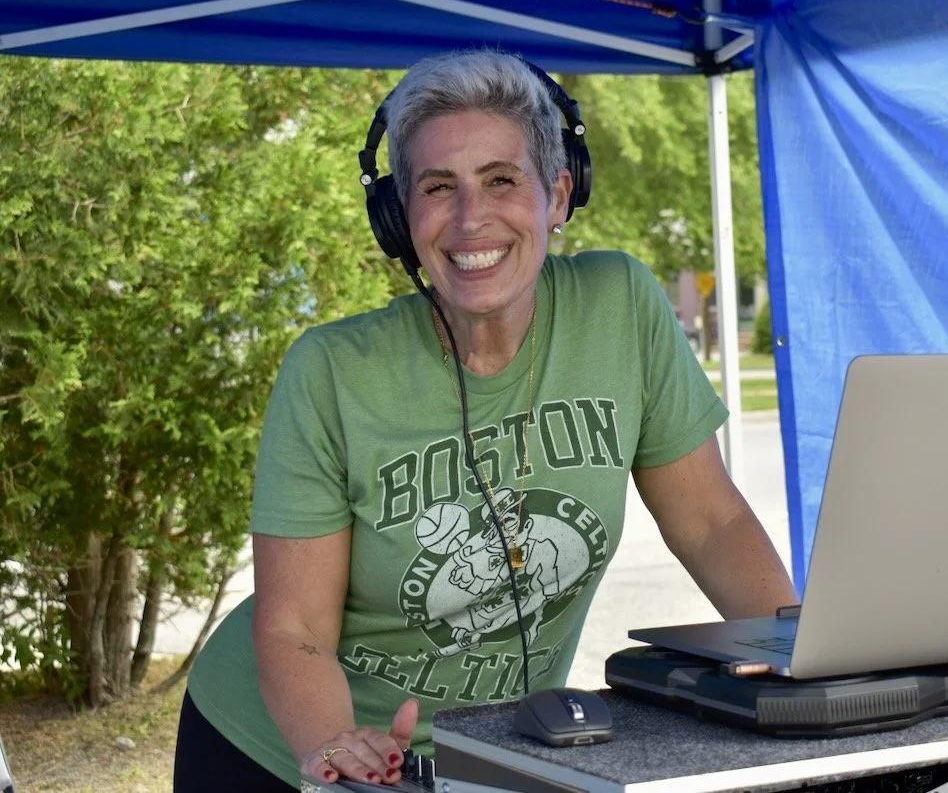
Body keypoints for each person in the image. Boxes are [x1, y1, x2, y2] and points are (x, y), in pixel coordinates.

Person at [173, 48, 797, 790]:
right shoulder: (332, 372)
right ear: (401, 220)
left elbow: (710, 524)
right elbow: (295, 631)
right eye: (439, 187)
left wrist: (810, 662)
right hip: (279, 748)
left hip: (495, 747)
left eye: (502, 180)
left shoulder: (620, 307)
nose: (471, 219)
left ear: (558, 195)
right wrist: (341, 747)